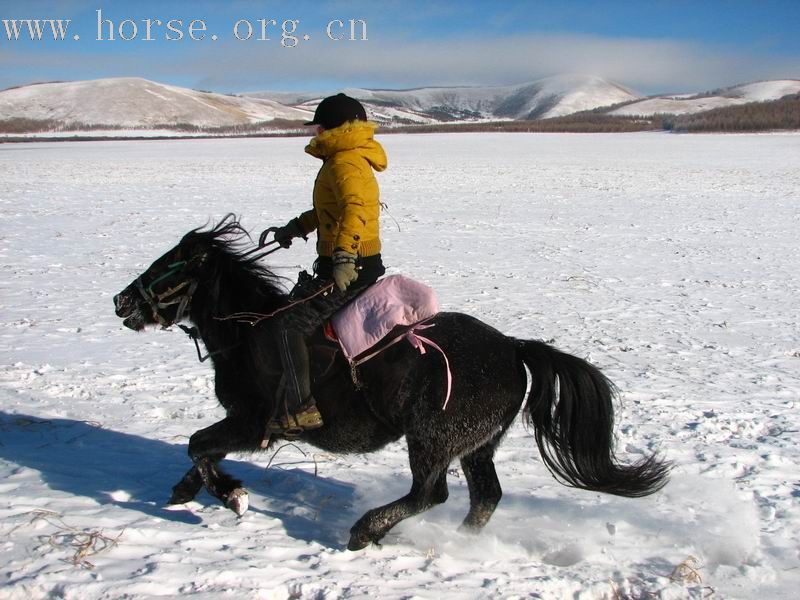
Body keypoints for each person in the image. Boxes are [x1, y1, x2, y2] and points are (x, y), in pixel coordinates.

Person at [260, 93, 388, 437]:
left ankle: (302, 409)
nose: (314, 131)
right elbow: (329, 211)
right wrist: (296, 228)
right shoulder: (339, 159)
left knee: (290, 324)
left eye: (318, 125)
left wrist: (345, 256)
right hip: (345, 260)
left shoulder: (345, 161)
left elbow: (355, 209)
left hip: (353, 264)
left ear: (332, 127)